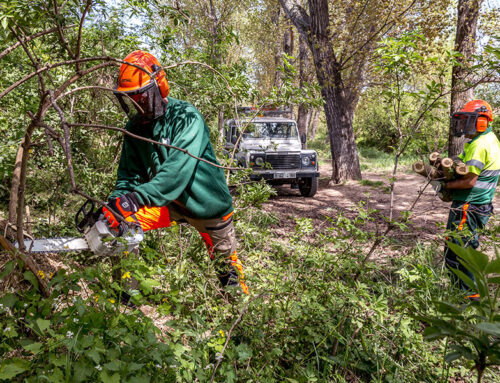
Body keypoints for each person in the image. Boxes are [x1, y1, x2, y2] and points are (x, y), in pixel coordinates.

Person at [103, 50, 248, 295]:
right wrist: (118, 203)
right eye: (132, 98)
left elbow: (175, 174)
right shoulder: (135, 127)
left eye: (142, 96)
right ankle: (126, 300)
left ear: (159, 87)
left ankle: (241, 317)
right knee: (122, 226)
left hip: (206, 206)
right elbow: (129, 175)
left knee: (228, 271)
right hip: (167, 205)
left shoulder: (186, 117)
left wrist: (136, 199)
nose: (138, 104)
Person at [436, 100, 499, 299]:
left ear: (481, 121)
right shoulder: (488, 140)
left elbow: (469, 181)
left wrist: (444, 186)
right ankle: (466, 294)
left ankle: (466, 298)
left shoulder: (480, 145)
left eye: (467, 121)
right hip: (477, 206)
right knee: (465, 250)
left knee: (458, 252)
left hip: (469, 206)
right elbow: (464, 168)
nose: (463, 126)